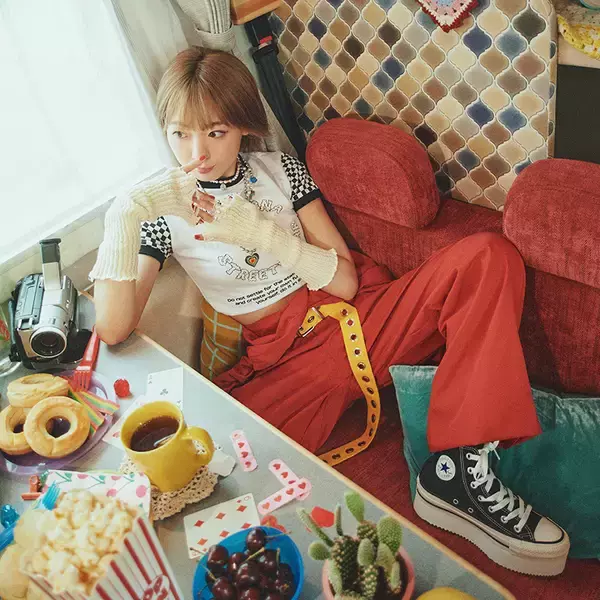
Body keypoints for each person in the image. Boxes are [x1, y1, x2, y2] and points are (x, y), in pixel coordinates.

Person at [90, 47, 569, 576]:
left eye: (216, 132)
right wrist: (124, 215)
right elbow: (112, 326)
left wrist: (263, 234)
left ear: (244, 127)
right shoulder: (162, 211)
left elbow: (343, 282)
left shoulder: (281, 171)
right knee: (206, 471)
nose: (196, 152)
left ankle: (458, 468)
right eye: (179, 133)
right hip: (286, 362)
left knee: (487, 254)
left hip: (352, 315)